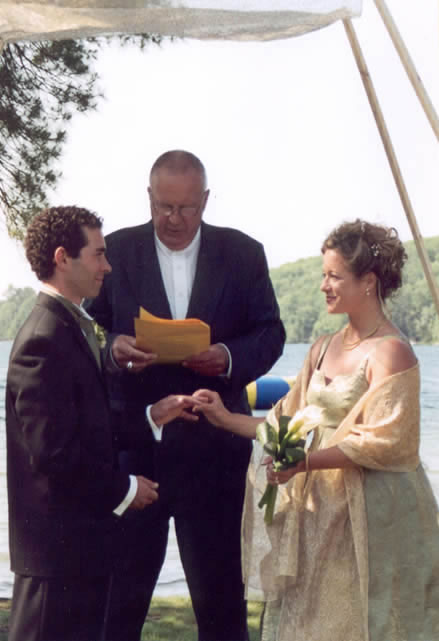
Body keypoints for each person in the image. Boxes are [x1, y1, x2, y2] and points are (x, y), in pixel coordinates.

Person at [193, 219, 439, 641]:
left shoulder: (391, 352)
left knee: (365, 620)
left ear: (368, 282)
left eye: (334, 276)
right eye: (323, 274)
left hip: (374, 511)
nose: (323, 285)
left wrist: (304, 462)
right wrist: (225, 417)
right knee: (310, 618)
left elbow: (387, 442)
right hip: (319, 508)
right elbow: (285, 423)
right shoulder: (323, 346)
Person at [86, 150, 286, 641]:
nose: (174, 219)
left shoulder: (243, 253)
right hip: (134, 454)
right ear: (149, 198)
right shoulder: (116, 251)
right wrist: (114, 349)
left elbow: (270, 333)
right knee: (117, 609)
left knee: (223, 613)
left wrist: (228, 357)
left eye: (187, 208)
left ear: (206, 201)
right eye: (164, 207)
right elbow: (89, 330)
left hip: (216, 457)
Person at [6, 206, 199, 641]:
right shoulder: (43, 339)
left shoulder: (68, 327)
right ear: (62, 258)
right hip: (56, 561)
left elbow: (87, 425)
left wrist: (151, 415)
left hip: (79, 554)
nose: (107, 267)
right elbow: (55, 454)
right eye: (98, 254)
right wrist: (125, 489)